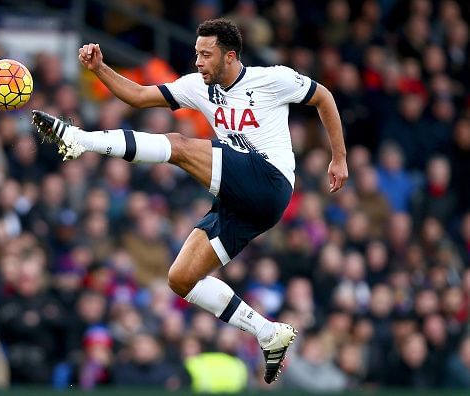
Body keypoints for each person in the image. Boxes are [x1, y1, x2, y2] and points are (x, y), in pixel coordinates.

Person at [32, 18, 348, 383]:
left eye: (206, 54)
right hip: (240, 200)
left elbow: (323, 96)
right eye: (196, 53)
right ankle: (268, 333)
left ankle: (78, 140)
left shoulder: (272, 79)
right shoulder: (199, 86)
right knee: (181, 279)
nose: (198, 61)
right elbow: (138, 95)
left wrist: (338, 157)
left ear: (230, 57)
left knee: (179, 146)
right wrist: (101, 69)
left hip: (270, 182)